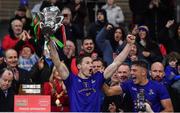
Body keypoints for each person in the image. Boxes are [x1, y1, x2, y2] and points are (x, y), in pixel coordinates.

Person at [49, 34, 135, 111]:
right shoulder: (71, 80)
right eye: (87, 63)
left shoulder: (98, 78)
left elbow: (117, 62)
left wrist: (129, 44)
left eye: (91, 63)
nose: (91, 65)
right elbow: (57, 61)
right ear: (79, 66)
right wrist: (49, 39)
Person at [104, 60, 173, 112]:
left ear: (143, 72)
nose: (131, 73)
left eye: (134, 70)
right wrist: (100, 78)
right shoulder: (129, 84)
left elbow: (169, 110)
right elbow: (109, 91)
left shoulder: (159, 87)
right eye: (131, 70)